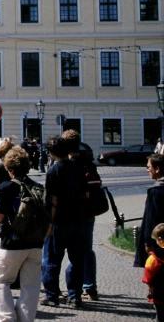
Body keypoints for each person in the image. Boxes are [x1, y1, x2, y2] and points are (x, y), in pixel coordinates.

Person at [0, 146, 46, 322]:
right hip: (36, 243)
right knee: (30, 286)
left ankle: (7, 319)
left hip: (12, 244)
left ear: (9, 168)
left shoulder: (6, 187)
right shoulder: (38, 187)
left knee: (0, 281)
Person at [40, 135, 86, 308]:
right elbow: (84, 194)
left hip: (58, 221)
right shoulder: (78, 167)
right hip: (78, 219)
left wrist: (49, 223)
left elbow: (52, 200)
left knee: (51, 260)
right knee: (76, 259)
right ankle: (75, 296)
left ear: (51, 152)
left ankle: (52, 296)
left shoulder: (53, 171)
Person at [62, 129, 101, 301]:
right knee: (87, 248)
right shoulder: (88, 158)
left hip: (72, 213)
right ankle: (90, 286)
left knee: (73, 252)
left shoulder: (69, 163)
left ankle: (73, 291)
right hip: (89, 212)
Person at [137, 155, 164, 271]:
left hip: (158, 241)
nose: (147, 169)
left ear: (157, 169)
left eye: (149, 167)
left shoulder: (155, 192)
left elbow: (150, 219)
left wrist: (147, 242)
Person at [143, 223, 164, 321]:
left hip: (159, 294)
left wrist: (150, 288)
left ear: (160, 240)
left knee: (160, 315)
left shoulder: (153, 259)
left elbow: (148, 278)